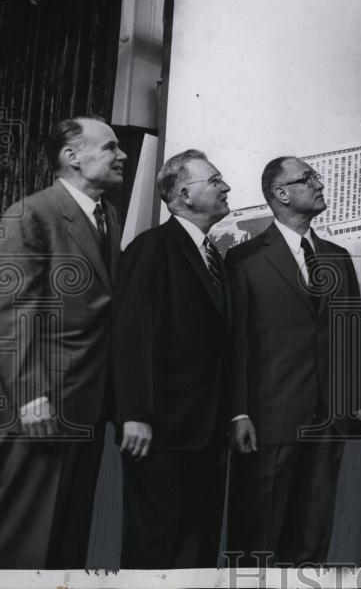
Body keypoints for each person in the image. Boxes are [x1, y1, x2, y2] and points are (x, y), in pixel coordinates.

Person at [0, 116, 126, 569]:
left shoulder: (109, 216)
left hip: (88, 404)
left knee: (67, 539)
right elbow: (12, 313)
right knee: (25, 539)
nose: (122, 156)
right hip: (43, 406)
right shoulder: (31, 213)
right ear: (72, 157)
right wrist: (30, 397)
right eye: (110, 147)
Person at [226, 156, 361, 566]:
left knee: (312, 541)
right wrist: (238, 412)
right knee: (257, 538)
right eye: (307, 178)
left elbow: (349, 335)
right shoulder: (244, 261)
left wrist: (359, 399)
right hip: (269, 421)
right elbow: (236, 344)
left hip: (327, 422)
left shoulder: (337, 256)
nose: (318, 183)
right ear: (281, 193)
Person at [111, 150, 232, 568]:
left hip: (207, 433)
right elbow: (131, 336)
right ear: (185, 194)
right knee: (154, 548)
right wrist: (135, 413)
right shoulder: (151, 248)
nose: (225, 187)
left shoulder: (215, 256)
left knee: (195, 549)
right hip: (161, 432)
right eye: (215, 180)